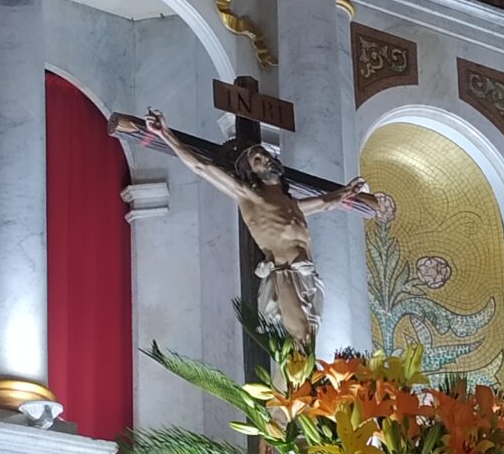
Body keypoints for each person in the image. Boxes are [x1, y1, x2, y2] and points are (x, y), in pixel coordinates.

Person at [142, 108, 378, 345]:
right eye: (257, 159)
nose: (265, 158)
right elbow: (201, 167)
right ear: (251, 172)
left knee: (310, 339)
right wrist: (165, 133)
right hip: (285, 273)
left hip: (308, 276)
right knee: (301, 337)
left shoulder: (293, 205)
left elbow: (326, 203)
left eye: (265, 154)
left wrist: (348, 191)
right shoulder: (249, 197)